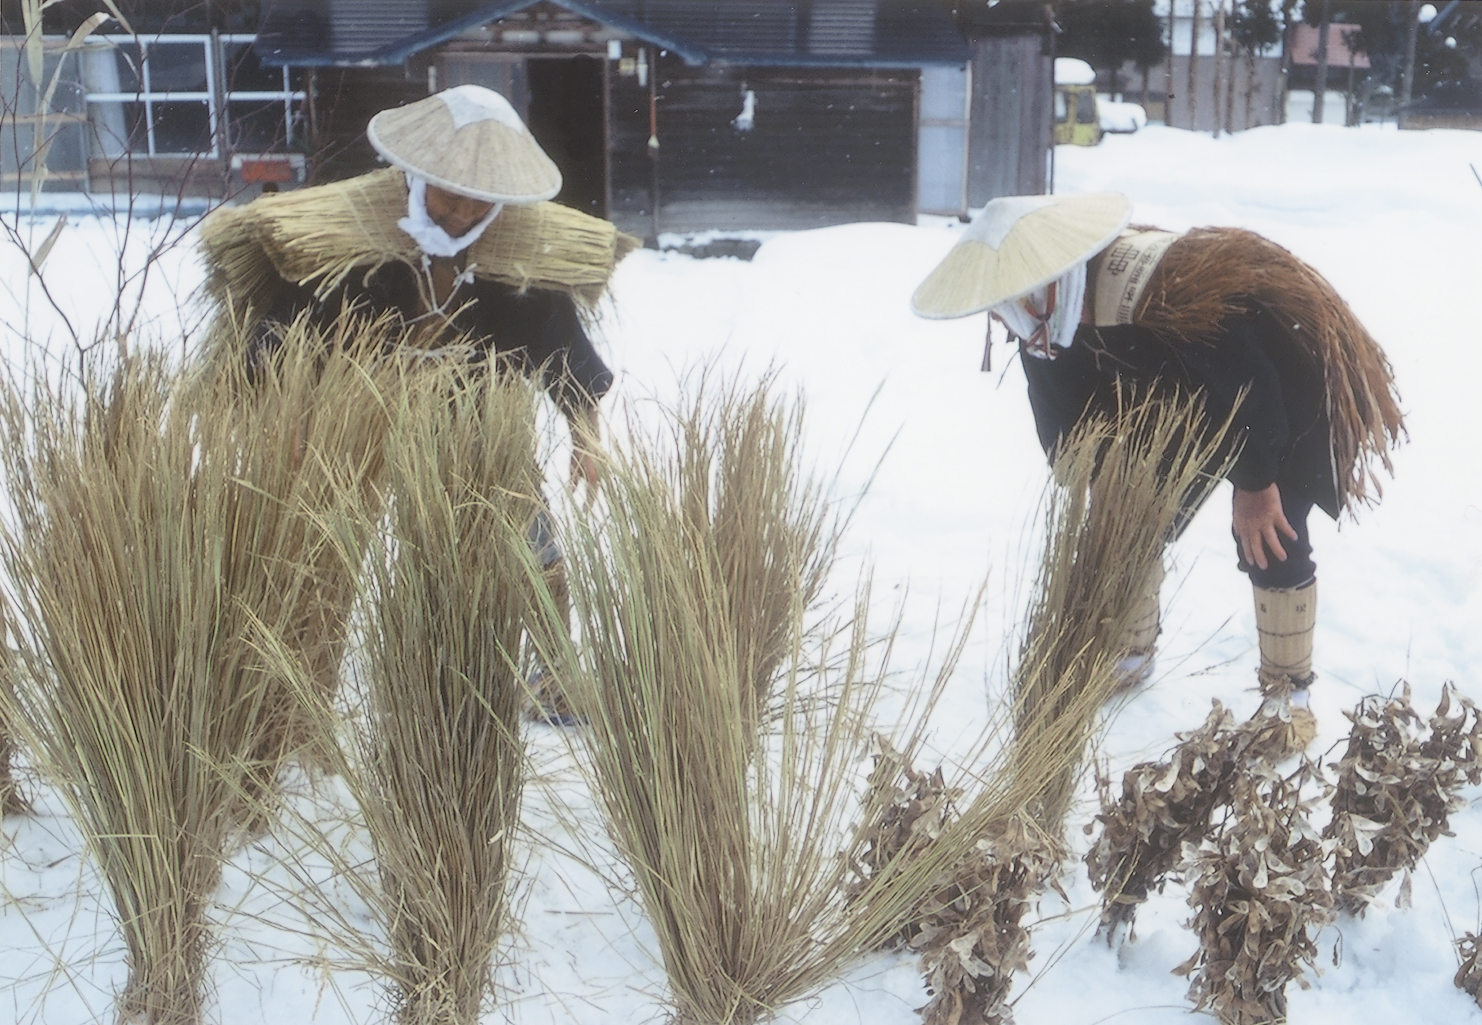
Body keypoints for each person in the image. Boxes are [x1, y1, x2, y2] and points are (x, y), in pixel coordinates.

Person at [199, 85, 638, 720]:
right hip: (359, 419)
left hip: (475, 421)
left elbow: (566, 357)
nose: (462, 208)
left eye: (479, 196)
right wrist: (286, 426)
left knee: (537, 554)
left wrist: (586, 436)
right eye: (448, 189)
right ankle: (295, 693)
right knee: (320, 555)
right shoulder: (354, 249)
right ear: (415, 174)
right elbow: (280, 345)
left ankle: (550, 682)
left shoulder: (516, 263)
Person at [912, 193, 1404, 744]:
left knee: (1269, 533)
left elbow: (1249, 385)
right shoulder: (1040, 312)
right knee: (1127, 516)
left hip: (1281, 384)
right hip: (1179, 389)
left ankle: (1288, 692)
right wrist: (1097, 480)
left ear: (1058, 272)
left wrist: (1257, 485)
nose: (1012, 313)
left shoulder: (1167, 289)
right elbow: (1062, 411)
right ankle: (1129, 652)